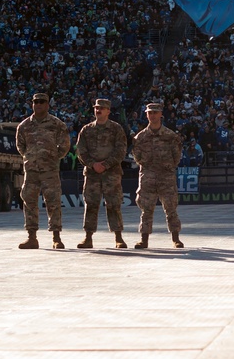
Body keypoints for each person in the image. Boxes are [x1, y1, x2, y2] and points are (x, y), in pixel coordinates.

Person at [15, 92, 71, 249]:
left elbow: (65, 145)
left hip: (49, 171)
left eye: (41, 101)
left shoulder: (56, 124)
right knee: (29, 202)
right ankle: (31, 237)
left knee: (53, 202)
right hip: (31, 171)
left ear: (47, 104)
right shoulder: (24, 126)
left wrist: (53, 158)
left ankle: (56, 237)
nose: (38, 104)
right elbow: (21, 147)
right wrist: (31, 157)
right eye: (35, 102)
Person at [75, 98, 129, 249]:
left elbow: (121, 150)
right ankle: (88, 237)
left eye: (102, 108)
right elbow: (80, 150)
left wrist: (105, 165)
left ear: (108, 111)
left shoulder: (116, 129)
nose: (98, 110)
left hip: (111, 173)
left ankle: (118, 237)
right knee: (91, 204)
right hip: (92, 174)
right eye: (96, 108)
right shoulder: (86, 130)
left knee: (114, 204)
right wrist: (93, 164)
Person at [132, 103, 184, 249]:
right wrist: (149, 166)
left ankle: (176, 238)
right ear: (146, 115)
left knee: (171, 208)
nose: (152, 115)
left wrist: (166, 167)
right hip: (148, 176)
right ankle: (144, 240)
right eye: (150, 113)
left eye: (155, 112)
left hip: (166, 176)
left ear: (161, 114)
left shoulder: (170, 136)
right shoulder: (140, 137)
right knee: (146, 209)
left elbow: (176, 156)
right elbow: (137, 156)